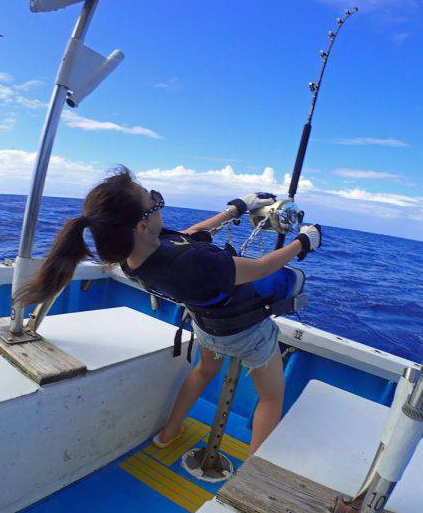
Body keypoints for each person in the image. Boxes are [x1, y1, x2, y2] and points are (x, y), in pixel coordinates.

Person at [17, 166, 321, 455]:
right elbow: (261, 268)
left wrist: (236, 209)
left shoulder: (132, 258)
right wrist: (303, 241)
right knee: (271, 395)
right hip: (246, 333)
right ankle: (253, 478)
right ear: (142, 225)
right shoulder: (196, 264)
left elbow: (188, 236)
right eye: (155, 203)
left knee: (204, 370)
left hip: (206, 329)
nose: (160, 205)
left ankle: (168, 433)